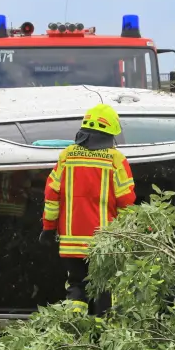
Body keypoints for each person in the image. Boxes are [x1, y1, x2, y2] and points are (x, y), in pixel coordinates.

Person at [42, 104, 136, 312]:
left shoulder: (67, 156)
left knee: (77, 287)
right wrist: (129, 235)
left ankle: (75, 326)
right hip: (104, 245)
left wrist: (48, 227)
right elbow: (126, 203)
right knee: (104, 289)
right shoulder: (116, 160)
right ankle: (103, 328)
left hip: (71, 243)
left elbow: (51, 195)